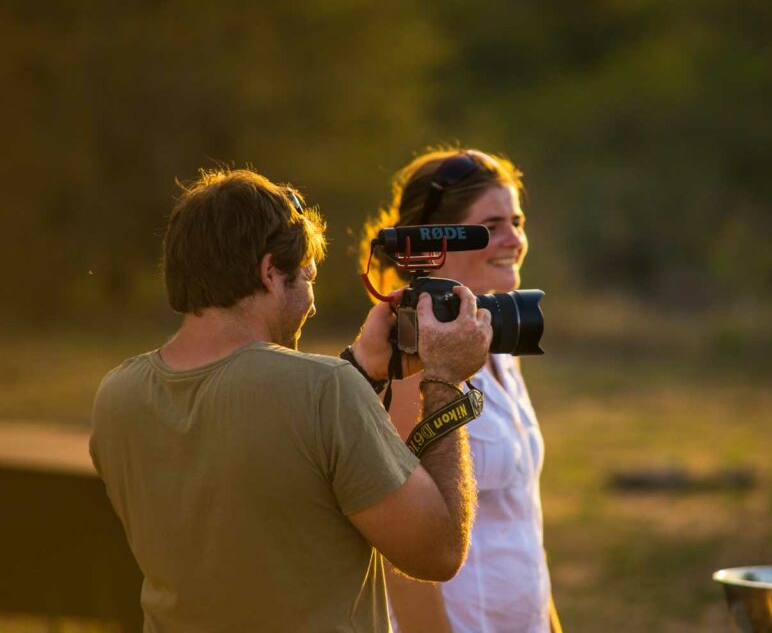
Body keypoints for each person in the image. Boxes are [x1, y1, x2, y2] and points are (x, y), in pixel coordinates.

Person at [89, 169, 493, 632]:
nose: (313, 304)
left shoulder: (117, 395)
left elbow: (271, 487)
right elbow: (438, 551)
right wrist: (444, 378)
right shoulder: (325, 390)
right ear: (269, 273)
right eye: (308, 277)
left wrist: (362, 366)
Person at [361, 148, 558, 633]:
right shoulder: (410, 362)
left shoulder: (495, 344)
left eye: (517, 221)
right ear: (436, 242)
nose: (514, 239)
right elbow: (402, 553)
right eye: (492, 226)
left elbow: (522, 521)